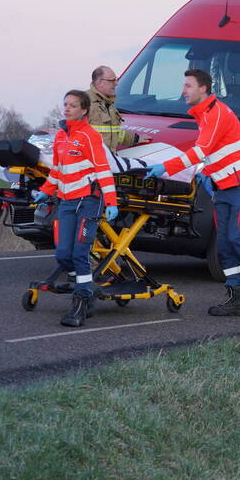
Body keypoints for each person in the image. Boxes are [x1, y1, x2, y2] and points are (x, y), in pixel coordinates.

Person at [145, 69, 240, 317]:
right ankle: (237, 297)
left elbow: (200, 151)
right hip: (224, 186)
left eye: (187, 86)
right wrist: (205, 173)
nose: (182, 91)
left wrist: (166, 168)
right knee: (225, 245)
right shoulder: (205, 115)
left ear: (203, 89)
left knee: (238, 238)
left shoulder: (215, 112)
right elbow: (213, 153)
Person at [35, 90, 120, 327]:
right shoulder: (61, 136)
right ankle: (86, 288)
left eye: (72, 105)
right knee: (63, 254)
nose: (67, 109)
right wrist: (45, 191)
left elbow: (103, 170)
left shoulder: (90, 137)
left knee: (80, 254)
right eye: (65, 104)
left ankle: (80, 302)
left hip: (88, 201)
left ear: (84, 110)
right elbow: (57, 170)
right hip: (66, 201)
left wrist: (112, 202)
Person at [88, 65, 140, 151]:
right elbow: (74, 137)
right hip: (93, 162)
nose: (116, 83)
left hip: (108, 161)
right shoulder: (84, 102)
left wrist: (135, 138)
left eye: (116, 79)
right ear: (99, 82)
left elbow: (113, 133)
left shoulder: (108, 103)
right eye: (112, 80)